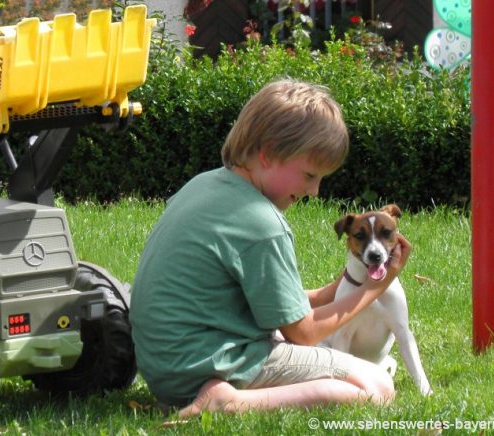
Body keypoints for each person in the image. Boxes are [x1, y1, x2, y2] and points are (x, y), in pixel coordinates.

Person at [129, 79, 412, 417]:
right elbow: (303, 333)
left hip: (167, 369)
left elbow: (275, 307)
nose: (315, 191)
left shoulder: (202, 185)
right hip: (211, 364)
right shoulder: (261, 222)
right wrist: (373, 288)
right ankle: (229, 401)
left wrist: (340, 288)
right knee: (377, 385)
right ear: (269, 153)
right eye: (309, 175)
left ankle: (213, 393)